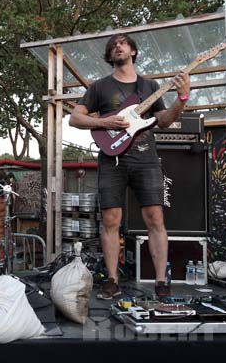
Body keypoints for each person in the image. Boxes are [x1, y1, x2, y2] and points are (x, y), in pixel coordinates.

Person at [69, 33, 190, 300]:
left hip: (145, 157)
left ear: (133, 51)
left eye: (122, 43)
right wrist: (104, 124)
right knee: (111, 220)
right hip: (111, 158)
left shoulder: (150, 87)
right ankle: (112, 279)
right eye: (113, 46)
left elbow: (165, 121)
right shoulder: (99, 87)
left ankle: (161, 281)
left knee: (155, 219)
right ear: (110, 56)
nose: (117, 46)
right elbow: (75, 119)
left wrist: (181, 99)